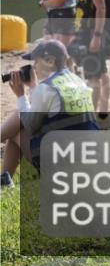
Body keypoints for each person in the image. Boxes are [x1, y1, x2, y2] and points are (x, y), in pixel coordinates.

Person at [1, 40, 98, 186]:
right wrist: (34, 87)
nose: (33, 67)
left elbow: (30, 125)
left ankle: (4, 182)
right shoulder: (78, 81)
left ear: (50, 61)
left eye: (36, 62)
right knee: (21, 121)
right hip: (90, 157)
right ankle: (3, 182)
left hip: (63, 165)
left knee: (17, 125)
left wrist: (21, 95)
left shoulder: (46, 89)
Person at [70, 0, 110, 116]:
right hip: (88, 30)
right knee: (101, 72)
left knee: (93, 77)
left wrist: (96, 36)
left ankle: (91, 119)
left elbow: (101, 7)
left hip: (91, 32)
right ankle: (103, 110)